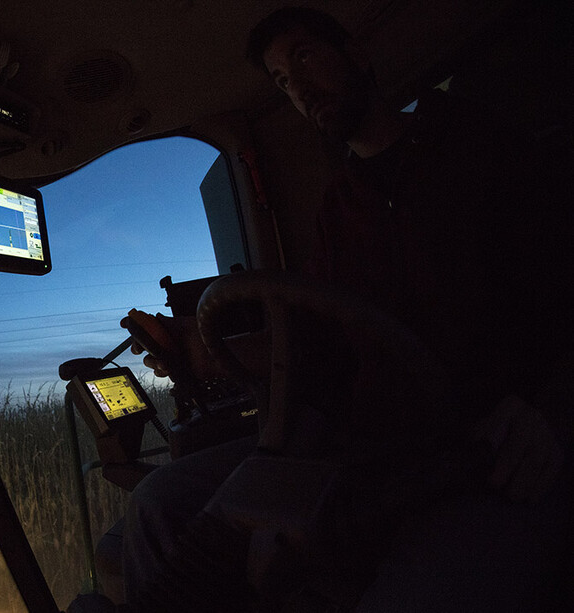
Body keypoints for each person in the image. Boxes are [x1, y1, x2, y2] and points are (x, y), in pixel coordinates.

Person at [122, 6, 572, 611]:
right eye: (282, 81)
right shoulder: (340, 207)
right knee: (157, 502)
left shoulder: (478, 146)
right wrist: (195, 350)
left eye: (304, 58)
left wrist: (550, 407)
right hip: (363, 443)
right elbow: (315, 342)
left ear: (356, 55)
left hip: (485, 440)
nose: (299, 90)